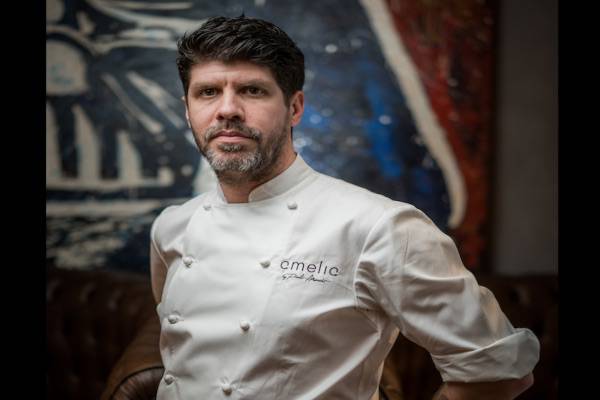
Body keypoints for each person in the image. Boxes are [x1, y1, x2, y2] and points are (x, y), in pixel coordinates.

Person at [149, 15, 539, 400]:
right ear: (188, 110)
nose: (227, 110)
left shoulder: (379, 227)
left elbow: (497, 369)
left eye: (252, 90)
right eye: (208, 92)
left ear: (295, 108)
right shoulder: (172, 227)